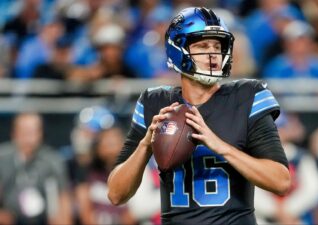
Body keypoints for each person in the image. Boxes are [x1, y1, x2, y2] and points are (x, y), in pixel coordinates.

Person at [107, 7, 290, 225]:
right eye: (203, 46)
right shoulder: (155, 102)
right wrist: (145, 145)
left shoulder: (247, 97)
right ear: (179, 50)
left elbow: (281, 182)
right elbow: (116, 195)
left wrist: (220, 146)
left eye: (217, 46)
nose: (213, 54)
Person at [0, 112, 72, 225]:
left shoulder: (52, 160)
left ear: (41, 134)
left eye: (32, 131)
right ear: (14, 133)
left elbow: (63, 198)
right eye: (24, 131)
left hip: (43, 219)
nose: (28, 137)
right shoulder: (3, 158)